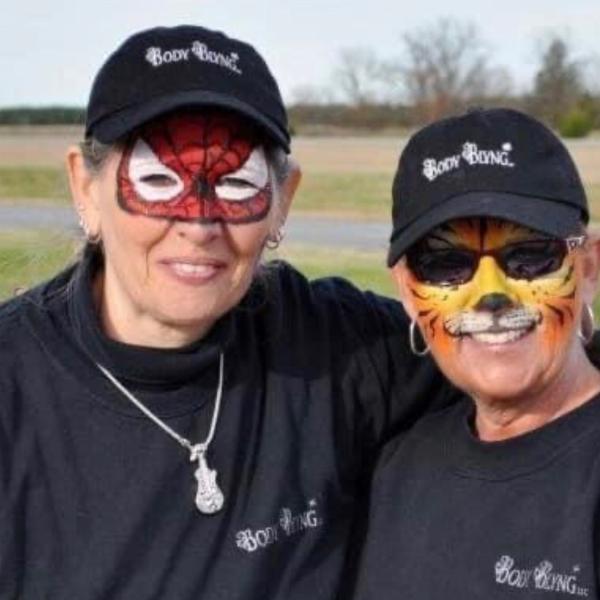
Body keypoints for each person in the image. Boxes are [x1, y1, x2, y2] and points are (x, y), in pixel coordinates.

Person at [0, 26, 456, 599]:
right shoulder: (13, 388)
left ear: (283, 201)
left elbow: (514, 372)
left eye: (239, 184)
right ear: (84, 188)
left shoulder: (340, 350)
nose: (199, 225)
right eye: (157, 180)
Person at [352, 108, 600, 599]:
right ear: (407, 291)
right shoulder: (399, 468)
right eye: (446, 265)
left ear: (589, 267)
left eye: (529, 257)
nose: (491, 295)